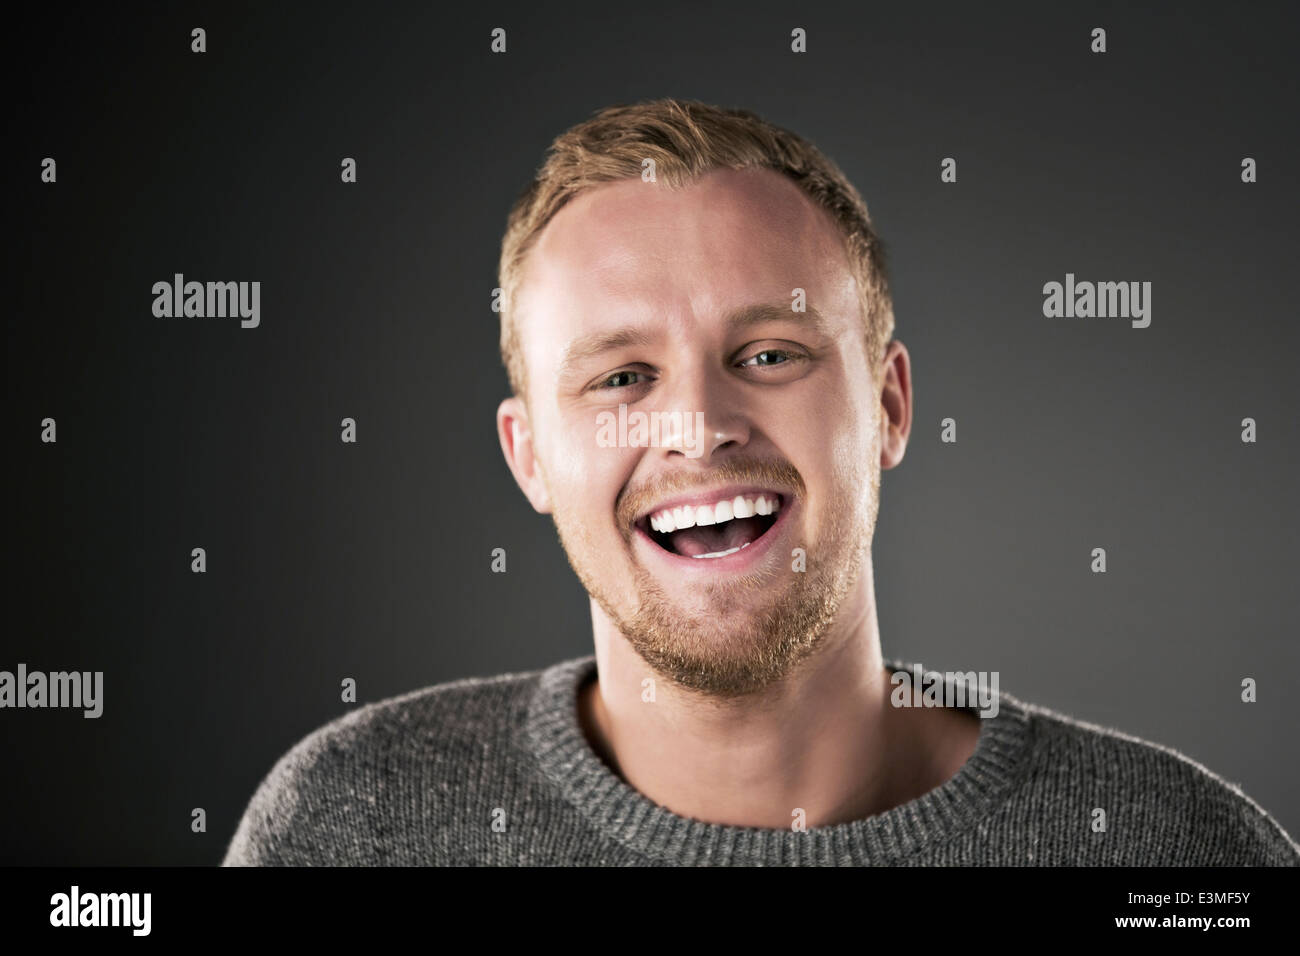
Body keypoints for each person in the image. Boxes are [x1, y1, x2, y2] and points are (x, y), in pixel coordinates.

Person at [223, 98, 1298, 866]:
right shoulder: (348, 824)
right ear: (530, 455)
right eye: (622, 375)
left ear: (886, 404)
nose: (700, 427)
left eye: (770, 353)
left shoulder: (1179, 855)